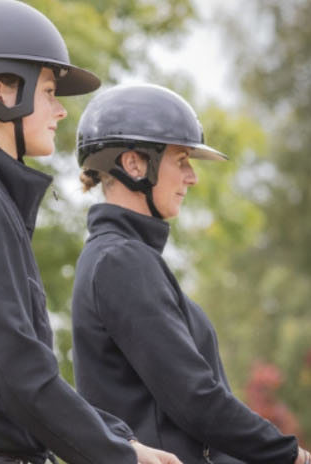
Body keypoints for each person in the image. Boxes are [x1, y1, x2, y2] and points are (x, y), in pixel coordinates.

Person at [0, 1, 180, 463]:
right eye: (49, 91)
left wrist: (122, 439)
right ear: (2, 91)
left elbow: (28, 371)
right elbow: (19, 375)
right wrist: (121, 456)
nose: (60, 112)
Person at [70, 83, 310, 464]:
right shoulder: (121, 261)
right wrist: (291, 455)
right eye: (181, 160)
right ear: (135, 164)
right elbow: (195, 399)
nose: (192, 177)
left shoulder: (126, 258)